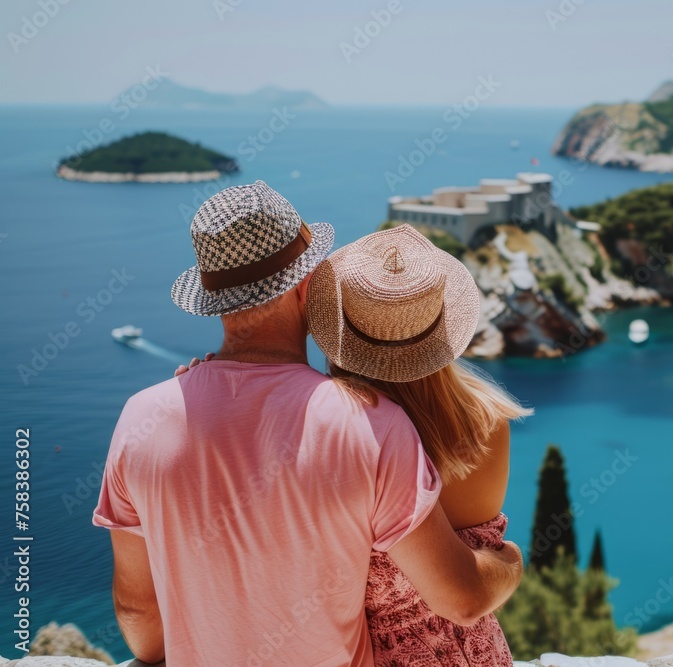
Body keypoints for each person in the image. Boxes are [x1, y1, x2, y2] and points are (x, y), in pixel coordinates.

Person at [92, 182, 522, 666]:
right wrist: (509, 561)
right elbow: (460, 599)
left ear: (213, 297)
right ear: (307, 282)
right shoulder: (370, 423)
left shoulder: (140, 418)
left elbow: (140, 618)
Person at [306, 224, 532, 666]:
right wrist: (513, 562)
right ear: (442, 324)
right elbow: (479, 574)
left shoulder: (328, 438)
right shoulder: (487, 422)